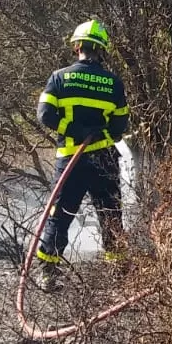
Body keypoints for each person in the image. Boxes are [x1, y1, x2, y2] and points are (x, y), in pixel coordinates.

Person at [35, 19, 129, 291]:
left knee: (60, 215)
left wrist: (73, 130)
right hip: (104, 161)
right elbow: (120, 126)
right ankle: (118, 274)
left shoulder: (59, 78)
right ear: (102, 51)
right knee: (111, 215)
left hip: (70, 162)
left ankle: (48, 275)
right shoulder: (113, 83)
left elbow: (45, 114)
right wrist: (100, 134)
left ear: (77, 47)